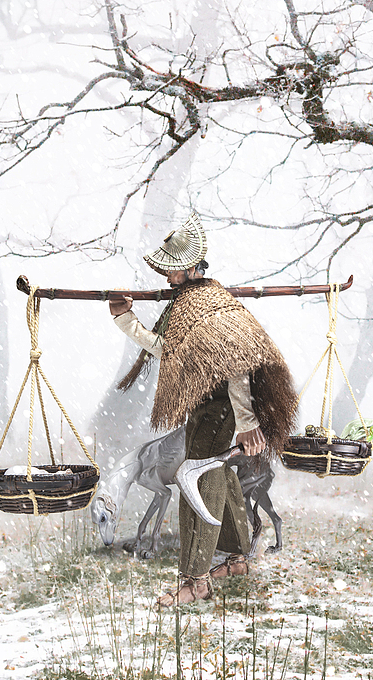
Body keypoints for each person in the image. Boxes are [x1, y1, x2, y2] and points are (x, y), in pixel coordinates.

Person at [108, 213, 298, 608]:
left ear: (191, 266)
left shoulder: (209, 303)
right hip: (203, 408)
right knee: (217, 474)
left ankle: (195, 580)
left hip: (221, 411)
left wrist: (246, 424)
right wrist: (125, 318)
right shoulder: (189, 302)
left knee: (195, 479)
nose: (168, 278)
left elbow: (237, 363)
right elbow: (167, 349)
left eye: (173, 270)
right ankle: (237, 555)